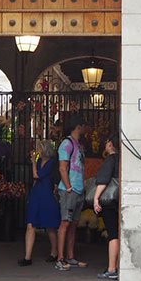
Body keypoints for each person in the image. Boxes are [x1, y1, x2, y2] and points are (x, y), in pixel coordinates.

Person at [17, 139, 61, 266]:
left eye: (40, 148)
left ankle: (54, 252)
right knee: (31, 224)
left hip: (46, 194)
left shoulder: (51, 163)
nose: (38, 151)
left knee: (51, 225)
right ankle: (27, 257)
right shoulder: (39, 161)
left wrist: (33, 163)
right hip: (37, 193)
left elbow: (37, 175)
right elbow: (36, 179)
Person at [55, 114, 88, 271]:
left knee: (73, 224)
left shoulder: (78, 145)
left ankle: (70, 256)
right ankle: (60, 259)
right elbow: (62, 168)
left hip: (78, 189)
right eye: (83, 126)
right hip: (70, 190)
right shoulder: (66, 144)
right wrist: (68, 187)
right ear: (78, 127)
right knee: (65, 223)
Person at [93, 134, 120, 281]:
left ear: (111, 144)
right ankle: (117, 266)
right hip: (118, 201)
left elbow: (103, 180)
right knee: (117, 232)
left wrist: (96, 198)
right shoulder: (122, 159)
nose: (105, 144)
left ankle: (111, 269)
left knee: (113, 234)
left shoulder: (110, 159)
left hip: (109, 202)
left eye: (107, 141)